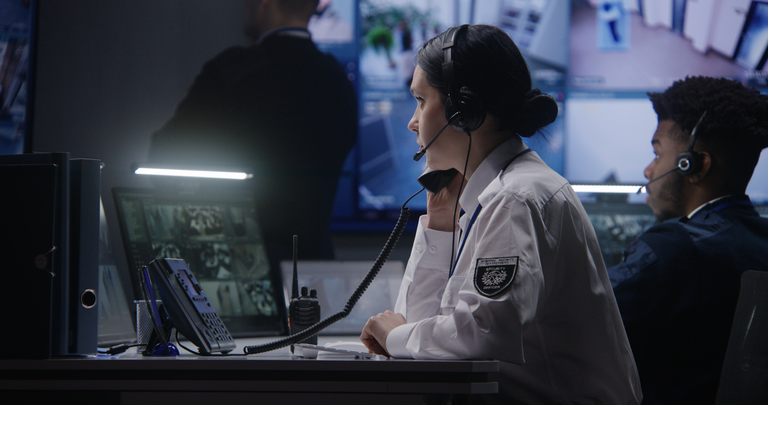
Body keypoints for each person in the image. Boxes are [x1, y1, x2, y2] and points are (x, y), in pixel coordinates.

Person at [360, 24, 641, 404]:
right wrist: (440, 226)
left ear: (463, 110)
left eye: (421, 101)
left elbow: (482, 333)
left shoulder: (516, 199)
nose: (413, 121)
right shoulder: (492, 195)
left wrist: (395, 335)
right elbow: (425, 341)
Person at [148, 0, 357, 278]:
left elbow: (163, 157)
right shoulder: (339, 81)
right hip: (316, 275)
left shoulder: (235, 70)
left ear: (264, 3)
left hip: (241, 273)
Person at [608, 76, 768, 404]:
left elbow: (579, 320)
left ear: (693, 165)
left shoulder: (671, 249)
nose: (648, 170)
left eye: (657, 154)